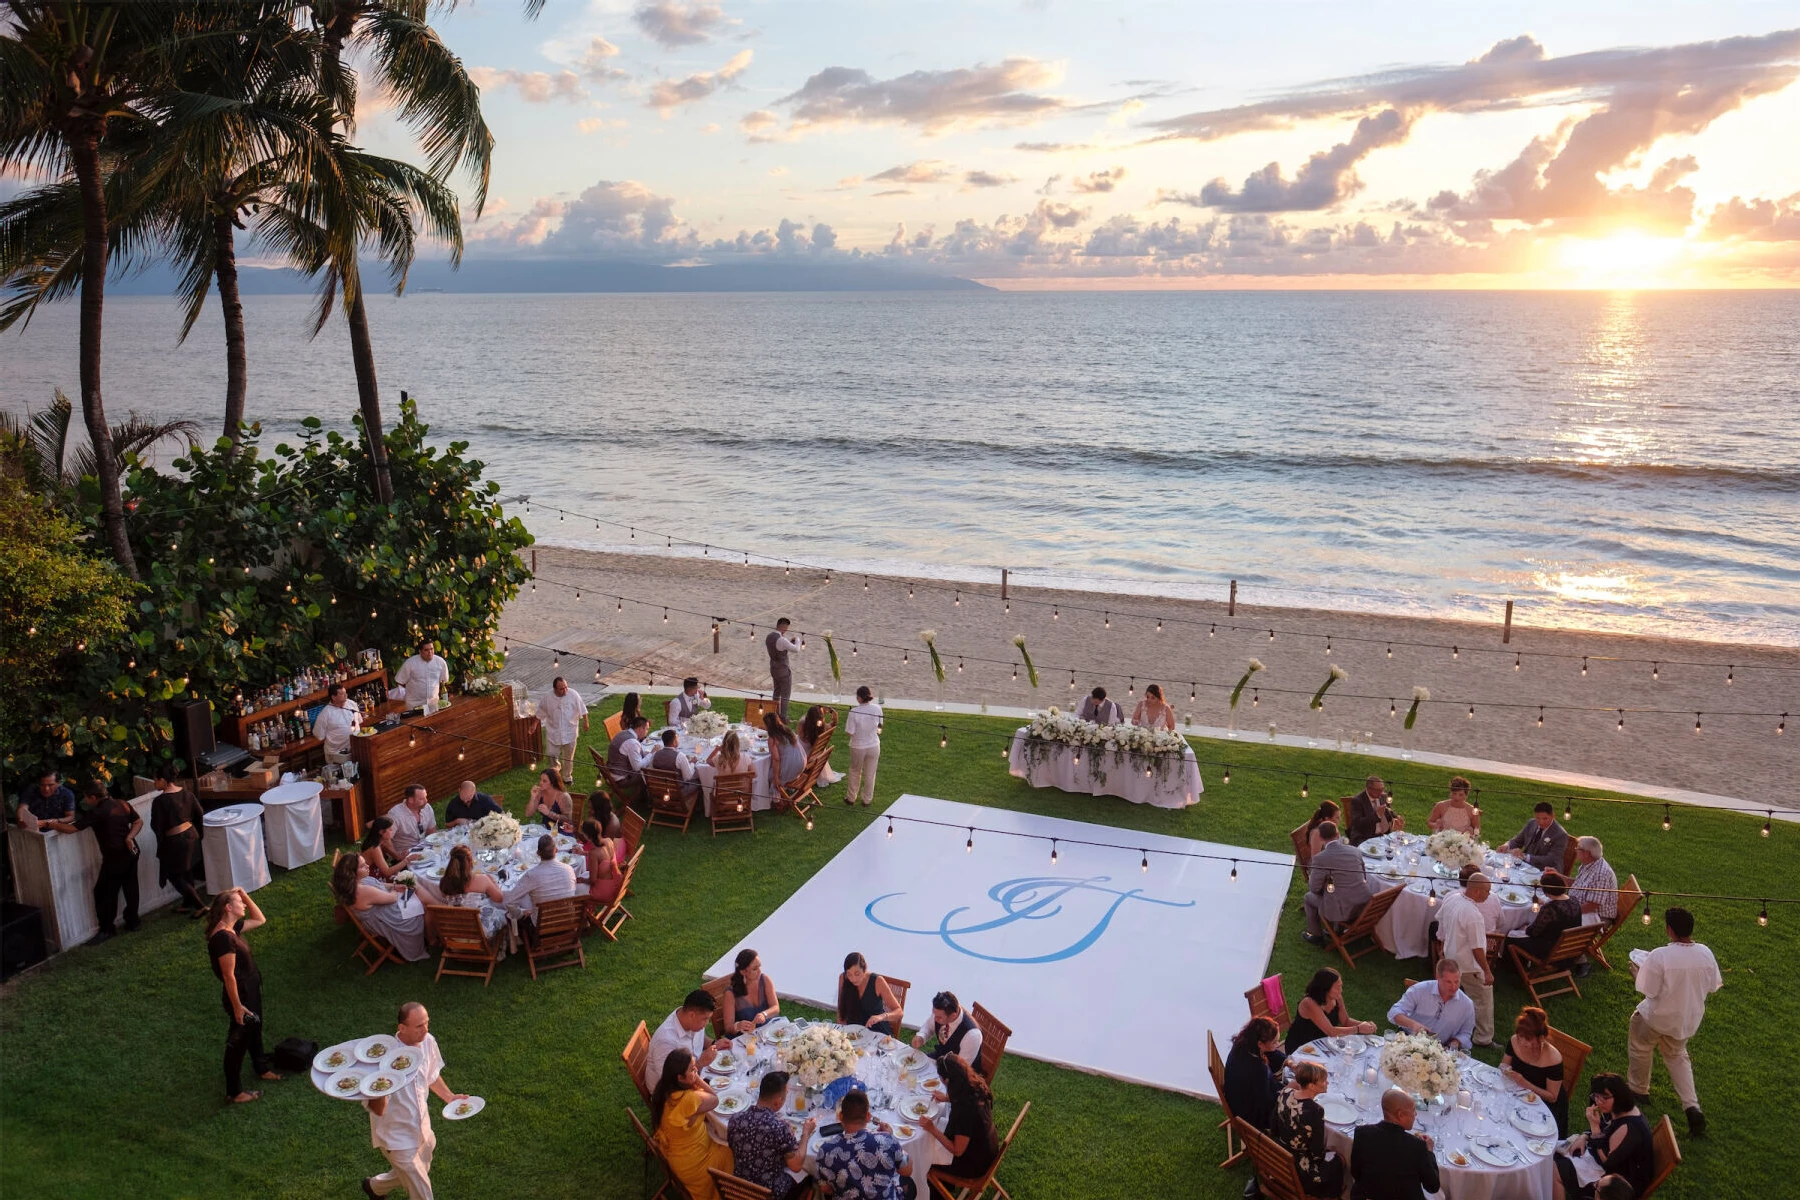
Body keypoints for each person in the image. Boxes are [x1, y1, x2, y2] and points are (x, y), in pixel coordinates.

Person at [1627, 906, 1720, 1138]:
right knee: (1678, 1058)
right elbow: (1712, 985)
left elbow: (1649, 990)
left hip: (1656, 1018)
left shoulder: (1660, 955)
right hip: (1684, 1021)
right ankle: (1692, 1107)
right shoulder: (1705, 953)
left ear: (1669, 929)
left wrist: (1637, 975)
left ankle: (1639, 1090)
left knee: (1640, 1045)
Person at [361, 1002, 468, 1200]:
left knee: (419, 1171)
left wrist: (450, 1097)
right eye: (419, 1026)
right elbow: (378, 1110)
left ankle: (375, 1187)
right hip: (396, 1136)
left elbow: (431, 1075)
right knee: (423, 1193)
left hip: (423, 1130)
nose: (425, 1030)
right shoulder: (382, 1061)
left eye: (427, 1023)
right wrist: (382, 1085)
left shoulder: (428, 1041)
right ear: (402, 1028)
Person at [207, 887, 282, 1103]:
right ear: (228, 908)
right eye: (240, 902)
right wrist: (238, 1006)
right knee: (237, 1042)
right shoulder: (222, 938)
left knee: (255, 1029)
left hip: (250, 990)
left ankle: (261, 1068)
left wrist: (244, 894)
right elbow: (228, 976)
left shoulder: (231, 928)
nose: (244, 906)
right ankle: (234, 1091)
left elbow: (260, 919)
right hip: (240, 996)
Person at [45, 782, 141, 941]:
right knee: (131, 887)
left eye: (86, 798)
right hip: (132, 852)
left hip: (115, 857)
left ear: (93, 797)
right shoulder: (122, 803)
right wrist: (129, 837)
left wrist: (50, 823)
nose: (86, 801)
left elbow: (72, 829)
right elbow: (138, 822)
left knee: (103, 893)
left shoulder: (98, 812)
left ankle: (107, 929)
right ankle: (133, 921)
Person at [651, 1047, 734, 1200]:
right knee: (731, 1151)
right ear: (680, 1078)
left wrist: (693, 1075)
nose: (696, 1069)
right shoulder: (689, 1099)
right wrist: (697, 1079)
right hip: (695, 1165)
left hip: (678, 1159)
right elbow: (714, 1100)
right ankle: (725, 1193)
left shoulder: (664, 1091)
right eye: (692, 1069)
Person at [1552, 1073, 1652, 1200]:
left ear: (1618, 1096)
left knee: (1555, 1170)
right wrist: (1584, 1136)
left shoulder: (1628, 1128)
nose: (1598, 1102)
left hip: (1614, 1183)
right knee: (1552, 1151)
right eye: (1596, 1096)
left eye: (1604, 1098)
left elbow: (1607, 1162)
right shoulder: (1617, 1109)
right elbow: (1604, 1130)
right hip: (1600, 1161)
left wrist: (1594, 1129)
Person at [729, 1069, 813, 1199]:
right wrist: (806, 1133)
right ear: (778, 1101)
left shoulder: (735, 1120)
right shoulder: (779, 1127)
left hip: (740, 1189)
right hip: (768, 1193)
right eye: (786, 1094)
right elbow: (796, 1166)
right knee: (810, 1178)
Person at [816, 1089, 914, 1200]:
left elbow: (826, 1190)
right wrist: (893, 1140)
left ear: (840, 1116)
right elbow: (907, 1171)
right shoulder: (887, 1141)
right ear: (868, 1116)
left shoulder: (825, 1150)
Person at [332, 852, 429, 961]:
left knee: (414, 891)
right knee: (420, 900)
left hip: (383, 912)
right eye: (362, 866)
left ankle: (433, 929)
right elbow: (392, 898)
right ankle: (432, 938)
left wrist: (395, 885)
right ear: (352, 873)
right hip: (391, 919)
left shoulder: (353, 883)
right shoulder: (362, 891)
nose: (368, 866)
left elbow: (380, 885)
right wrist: (395, 889)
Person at [1437, 872, 1497, 1047]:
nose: (1489, 894)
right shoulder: (1473, 914)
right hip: (1468, 966)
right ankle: (1483, 1038)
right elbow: (1477, 948)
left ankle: (1445, 1024)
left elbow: (1442, 924)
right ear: (1477, 891)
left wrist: (1443, 948)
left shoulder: (1451, 898)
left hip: (1451, 960)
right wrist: (1486, 971)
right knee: (1483, 1000)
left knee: (1449, 994)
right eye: (1488, 890)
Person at [921, 1052, 997, 1184]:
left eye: (940, 1078)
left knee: (923, 1156)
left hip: (975, 1163)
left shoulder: (964, 1111)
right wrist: (947, 1098)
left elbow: (957, 1150)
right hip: (989, 1145)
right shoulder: (976, 1084)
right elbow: (967, 1099)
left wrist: (932, 1129)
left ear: (947, 1080)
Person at [1350, 1090, 1439, 1200]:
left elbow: (1355, 1172)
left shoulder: (1362, 1133)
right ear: (1400, 1115)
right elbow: (1433, 1186)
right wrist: (1429, 1151)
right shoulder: (1417, 1146)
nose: (1415, 1115)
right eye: (1413, 1111)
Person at [1272, 1061, 1342, 1198]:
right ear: (1311, 1086)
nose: (1327, 1083)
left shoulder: (1286, 1092)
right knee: (1339, 1161)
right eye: (1324, 1081)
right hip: (1299, 1167)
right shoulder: (1315, 1110)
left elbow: (1274, 1123)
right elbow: (1317, 1152)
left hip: (1279, 1151)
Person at [1301, 821, 1371, 947]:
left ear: (1321, 838)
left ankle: (1316, 935)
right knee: (1337, 893)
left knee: (1308, 898)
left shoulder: (1320, 859)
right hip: (1363, 904)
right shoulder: (1355, 851)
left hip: (1343, 910)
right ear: (1337, 834)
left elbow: (1314, 888)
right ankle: (1335, 929)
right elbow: (1363, 876)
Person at [149, 766, 207, 915]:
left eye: (155, 780)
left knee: (173, 874)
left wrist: (162, 842)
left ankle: (200, 905)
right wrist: (199, 833)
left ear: (163, 780)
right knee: (187, 870)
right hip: (191, 835)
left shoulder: (160, 801)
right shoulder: (187, 794)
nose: (154, 783)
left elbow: (156, 825)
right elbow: (199, 813)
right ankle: (187, 904)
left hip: (175, 840)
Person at [1501, 1006, 1567, 1135]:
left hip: (1543, 1106)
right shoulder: (1514, 1041)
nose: (1522, 1042)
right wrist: (1506, 1070)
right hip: (1517, 1094)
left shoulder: (1553, 1058)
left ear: (1541, 1038)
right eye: (1520, 1036)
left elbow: (1552, 1097)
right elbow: (1503, 1065)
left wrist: (1525, 1083)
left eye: (1528, 1039)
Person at [646, 989, 732, 1088]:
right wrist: (700, 1063)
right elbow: (670, 1082)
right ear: (691, 1015)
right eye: (705, 1019)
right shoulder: (666, 1041)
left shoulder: (690, 1021)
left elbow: (699, 1038)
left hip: (696, 1076)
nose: (707, 1023)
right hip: (672, 1093)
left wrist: (714, 1043)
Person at [1387, 959, 1476, 1050]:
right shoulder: (1420, 990)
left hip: (1441, 1049)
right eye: (1448, 982)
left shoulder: (1466, 1004)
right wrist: (1413, 1024)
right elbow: (1394, 1012)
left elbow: (1466, 1033)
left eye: (1456, 981)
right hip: (1408, 1041)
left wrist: (1455, 1042)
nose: (1453, 987)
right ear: (1437, 977)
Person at [1285, 967, 1376, 1055]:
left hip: (1324, 1044)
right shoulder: (1309, 1003)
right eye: (1337, 987)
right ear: (1325, 988)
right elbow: (1331, 1031)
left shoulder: (1337, 998)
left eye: (1341, 986)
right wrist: (1358, 1029)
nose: (1341, 990)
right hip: (1302, 1047)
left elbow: (1345, 1021)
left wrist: (1365, 1025)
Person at [1222, 1016, 1286, 1132]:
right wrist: (1288, 1091)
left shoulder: (1243, 1046)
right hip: (1252, 1116)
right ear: (1260, 1044)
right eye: (1274, 1042)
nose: (1277, 1045)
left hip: (1241, 1100)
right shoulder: (1256, 1068)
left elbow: (1272, 1052)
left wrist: (1288, 1062)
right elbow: (1267, 1103)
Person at [435, 844, 508, 942]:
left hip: (455, 931)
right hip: (481, 933)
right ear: (470, 861)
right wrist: (493, 882)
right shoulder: (482, 879)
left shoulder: (445, 882)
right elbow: (499, 898)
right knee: (505, 913)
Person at [1569, 836, 1619, 978]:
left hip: (1598, 916)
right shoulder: (1588, 864)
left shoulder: (1601, 873)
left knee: (1563, 922)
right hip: (1581, 905)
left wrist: (1570, 911)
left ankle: (1581, 962)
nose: (1575, 851)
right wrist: (1559, 878)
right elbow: (1579, 884)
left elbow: (1592, 905)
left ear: (1586, 853)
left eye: (1577, 849)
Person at [1509, 870, 1584, 961]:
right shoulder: (1574, 900)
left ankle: (1512, 966)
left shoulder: (1549, 909)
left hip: (1550, 951)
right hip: (1569, 949)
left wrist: (1524, 927)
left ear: (1546, 892)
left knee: (1511, 935)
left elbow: (1533, 932)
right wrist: (1544, 903)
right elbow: (1562, 914)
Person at [515, 834, 578, 939]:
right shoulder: (569, 869)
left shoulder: (531, 875)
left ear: (538, 853)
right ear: (556, 850)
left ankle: (517, 943)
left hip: (541, 929)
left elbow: (512, 899)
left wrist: (522, 912)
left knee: (516, 915)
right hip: (568, 923)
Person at [535, 676, 588, 787]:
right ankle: (555, 774)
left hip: (570, 731)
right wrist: (534, 725)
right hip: (553, 732)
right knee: (551, 755)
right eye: (561, 689)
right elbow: (541, 712)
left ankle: (567, 777)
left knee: (568, 757)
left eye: (566, 687)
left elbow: (582, 708)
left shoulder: (573, 694)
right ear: (555, 689)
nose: (565, 690)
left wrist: (586, 722)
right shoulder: (547, 697)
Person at [911, 991, 983, 1071]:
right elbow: (929, 1026)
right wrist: (921, 1037)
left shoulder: (972, 1036)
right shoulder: (941, 1012)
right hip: (940, 1057)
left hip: (959, 1072)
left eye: (938, 1017)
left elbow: (961, 1069)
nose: (934, 1018)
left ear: (953, 1015)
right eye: (934, 1014)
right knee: (912, 1067)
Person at [838, 952, 904, 1035]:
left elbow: (899, 1012)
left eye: (857, 974)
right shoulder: (843, 978)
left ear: (865, 968)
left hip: (877, 1032)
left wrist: (881, 1017)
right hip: (854, 1033)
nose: (853, 979)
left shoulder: (877, 981)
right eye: (849, 974)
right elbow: (841, 1009)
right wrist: (840, 1032)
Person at [724, 948, 781, 1034]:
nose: (759, 971)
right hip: (747, 1037)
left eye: (759, 966)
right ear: (743, 971)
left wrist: (764, 1014)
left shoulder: (765, 980)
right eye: (755, 969)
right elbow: (728, 1027)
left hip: (769, 1031)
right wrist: (738, 1025)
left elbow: (775, 1007)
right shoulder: (730, 993)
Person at [844, 685, 883, 807]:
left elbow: (850, 732)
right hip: (874, 746)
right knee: (870, 774)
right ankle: (867, 799)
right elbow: (880, 726)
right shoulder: (877, 708)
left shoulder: (854, 712)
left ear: (859, 698)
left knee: (855, 771)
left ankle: (851, 798)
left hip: (858, 746)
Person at [1503, 802, 1570, 870]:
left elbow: (1551, 859)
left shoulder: (1561, 835)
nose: (1541, 822)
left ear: (1553, 816)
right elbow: (1518, 841)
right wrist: (1507, 846)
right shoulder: (1531, 823)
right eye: (1538, 818)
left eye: (1545, 819)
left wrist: (1525, 857)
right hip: (1525, 866)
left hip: (1546, 871)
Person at [647, 730, 701, 808]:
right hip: (678, 791)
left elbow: (651, 771)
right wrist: (692, 763)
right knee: (698, 782)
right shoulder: (680, 756)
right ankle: (695, 807)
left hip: (660, 789)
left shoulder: (655, 754)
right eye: (677, 739)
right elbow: (688, 777)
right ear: (674, 742)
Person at [311, 683, 362, 765]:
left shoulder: (352, 704)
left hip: (355, 749)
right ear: (333, 697)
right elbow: (318, 735)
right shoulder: (325, 713)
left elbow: (359, 721)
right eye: (341, 694)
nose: (345, 695)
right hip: (336, 754)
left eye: (345, 693)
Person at [578, 819, 624, 908]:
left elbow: (593, 881)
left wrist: (582, 880)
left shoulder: (594, 853)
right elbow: (603, 858)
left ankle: (582, 914)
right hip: (616, 883)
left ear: (587, 836)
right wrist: (584, 853)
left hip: (604, 891)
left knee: (574, 887)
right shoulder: (608, 841)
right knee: (583, 875)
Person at [392, 639, 450, 709]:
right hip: (414, 705)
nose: (430, 652)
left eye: (432, 649)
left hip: (433, 704)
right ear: (420, 651)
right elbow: (400, 681)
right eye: (426, 650)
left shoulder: (440, 662)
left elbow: (443, 681)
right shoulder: (410, 663)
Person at [1344, 776, 1401, 845]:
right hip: (1365, 837)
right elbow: (1358, 824)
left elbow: (1389, 812)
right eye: (1378, 790)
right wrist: (1376, 815)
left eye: (1382, 789)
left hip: (1385, 836)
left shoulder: (1383, 796)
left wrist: (1396, 818)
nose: (1382, 792)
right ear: (1368, 789)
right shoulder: (1357, 801)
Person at [766, 618, 802, 721]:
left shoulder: (769, 637)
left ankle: (774, 714)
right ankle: (783, 717)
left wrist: (788, 643)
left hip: (773, 669)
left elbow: (780, 648)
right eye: (786, 628)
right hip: (783, 671)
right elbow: (796, 649)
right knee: (785, 695)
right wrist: (797, 640)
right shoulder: (782, 640)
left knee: (776, 692)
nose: (786, 630)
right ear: (784, 627)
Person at [607, 715, 654, 795]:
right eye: (646, 729)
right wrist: (652, 754)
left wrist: (648, 754)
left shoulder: (623, 733)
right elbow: (637, 767)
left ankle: (643, 793)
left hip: (612, 772)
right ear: (640, 729)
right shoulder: (632, 742)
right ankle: (648, 798)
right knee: (652, 772)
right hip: (621, 778)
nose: (647, 732)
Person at [387, 783, 437, 857]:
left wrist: (432, 846)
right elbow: (385, 840)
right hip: (404, 855)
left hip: (425, 850)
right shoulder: (395, 815)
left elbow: (431, 830)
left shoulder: (427, 808)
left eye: (425, 797)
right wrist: (397, 856)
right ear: (411, 800)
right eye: (421, 799)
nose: (426, 801)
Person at [798, 705, 842, 786]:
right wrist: (833, 713)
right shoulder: (822, 727)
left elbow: (800, 738)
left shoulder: (802, 724)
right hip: (816, 754)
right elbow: (833, 723)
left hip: (803, 754)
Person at [360, 816, 413, 881]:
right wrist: (407, 860)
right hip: (372, 881)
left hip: (379, 875)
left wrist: (402, 857)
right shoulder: (374, 848)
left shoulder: (381, 842)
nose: (392, 832)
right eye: (390, 830)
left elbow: (397, 857)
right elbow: (387, 872)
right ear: (381, 831)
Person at [765, 712, 804, 788]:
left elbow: (776, 759)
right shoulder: (787, 730)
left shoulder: (772, 738)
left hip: (791, 766)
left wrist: (776, 778)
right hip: (801, 763)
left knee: (767, 774)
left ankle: (775, 797)